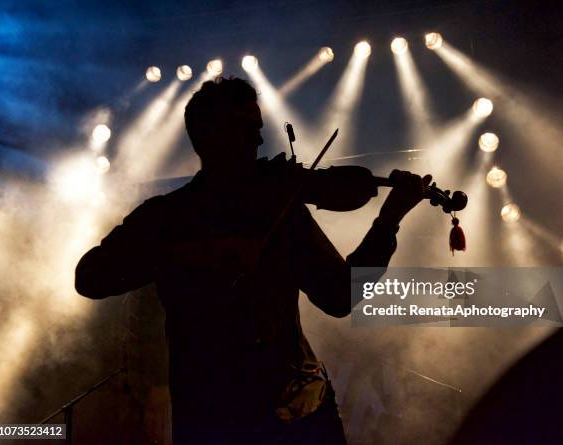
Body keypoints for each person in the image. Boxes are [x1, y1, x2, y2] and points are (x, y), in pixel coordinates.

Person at [75, 77, 431, 444]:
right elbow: (88, 277)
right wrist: (202, 252)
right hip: (237, 422)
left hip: (288, 416)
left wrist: (388, 223)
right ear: (210, 135)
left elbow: (340, 295)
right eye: (248, 129)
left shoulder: (277, 207)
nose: (260, 142)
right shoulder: (167, 217)